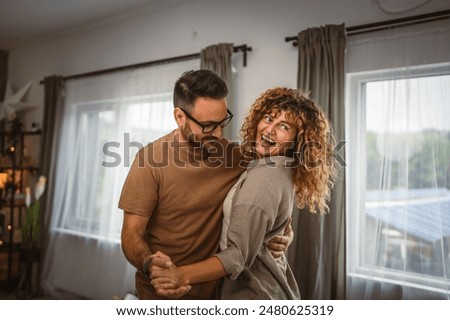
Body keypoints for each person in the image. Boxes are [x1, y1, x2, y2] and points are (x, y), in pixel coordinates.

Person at [149, 87, 338, 299]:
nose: (269, 130)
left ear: (297, 140)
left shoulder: (266, 177)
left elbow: (236, 255)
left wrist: (180, 274)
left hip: (254, 293)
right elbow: (271, 218)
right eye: (268, 119)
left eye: (284, 126)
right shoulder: (259, 164)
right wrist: (284, 232)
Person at [118, 70, 293, 300]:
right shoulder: (149, 161)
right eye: (208, 125)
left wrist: (286, 234)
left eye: (222, 122)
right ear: (180, 117)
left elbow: (270, 198)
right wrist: (150, 263)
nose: (219, 134)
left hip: (216, 293)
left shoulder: (236, 155)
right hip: (162, 291)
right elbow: (131, 234)